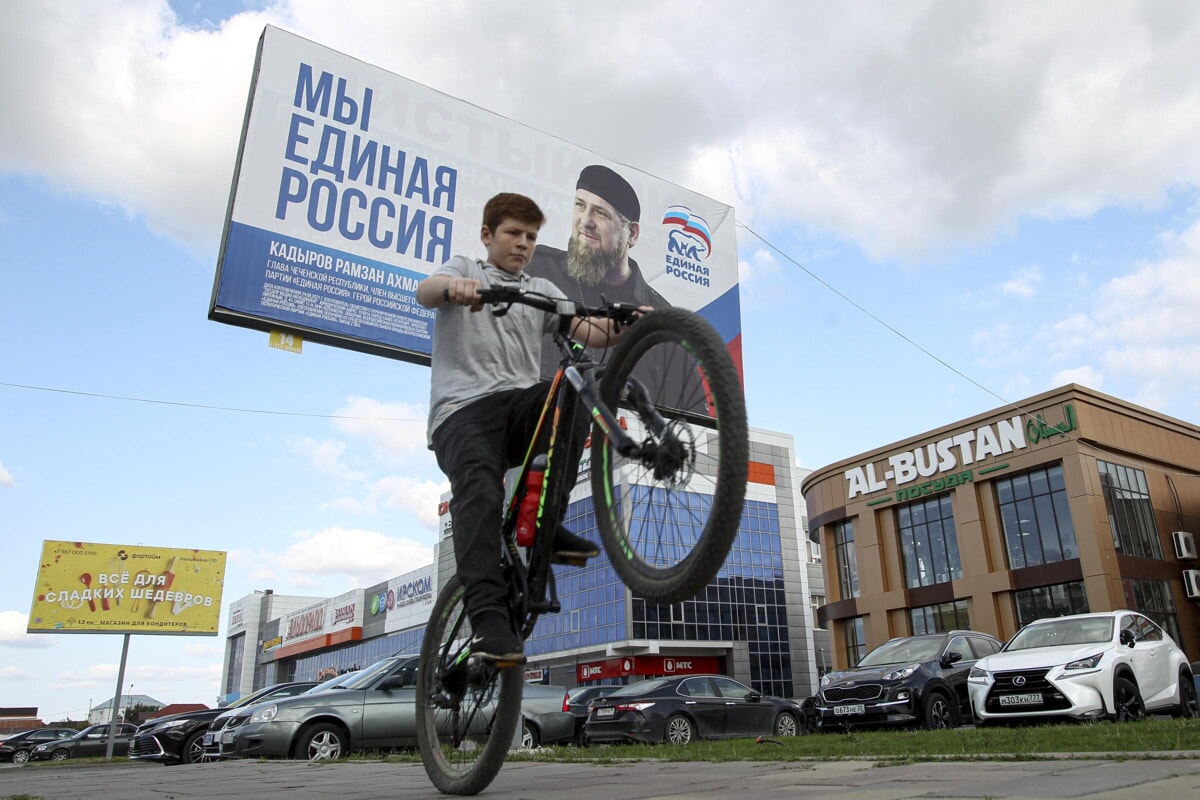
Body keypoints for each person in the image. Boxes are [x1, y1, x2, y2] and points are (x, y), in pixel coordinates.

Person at [416, 192, 638, 663]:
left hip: (518, 409)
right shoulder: (467, 269)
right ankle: (487, 618)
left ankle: (544, 525)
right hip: (461, 413)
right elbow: (427, 290)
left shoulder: (541, 289)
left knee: (578, 381)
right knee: (479, 490)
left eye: (531, 237)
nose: (523, 244)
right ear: (487, 236)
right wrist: (454, 288)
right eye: (513, 233)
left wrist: (628, 323)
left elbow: (590, 331)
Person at [525, 164, 669, 379]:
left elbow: (685, 410)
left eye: (601, 213)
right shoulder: (535, 268)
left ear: (632, 234)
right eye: (580, 205)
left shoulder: (661, 317)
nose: (585, 221)